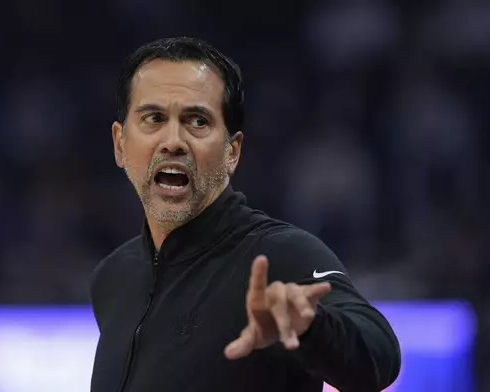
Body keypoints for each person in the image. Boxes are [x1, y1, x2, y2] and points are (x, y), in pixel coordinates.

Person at [89, 36, 401, 392]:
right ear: (120, 144)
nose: (172, 140)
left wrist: (312, 327)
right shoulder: (112, 278)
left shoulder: (277, 256)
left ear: (232, 152)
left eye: (197, 121)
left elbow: (378, 357)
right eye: (154, 118)